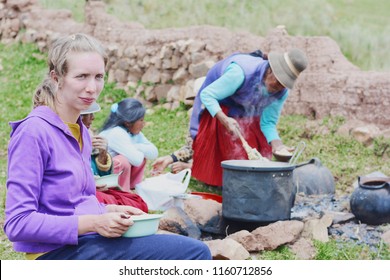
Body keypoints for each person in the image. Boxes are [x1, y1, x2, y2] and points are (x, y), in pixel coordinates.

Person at [4, 33, 211, 260]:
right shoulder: (33, 132)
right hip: (55, 253)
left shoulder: (79, 129)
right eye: (81, 76)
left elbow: (73, 202)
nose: (92, 88)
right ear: (56, 78)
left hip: (86, 241)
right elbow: (17, 223)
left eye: (98, 77)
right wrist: (95, 222)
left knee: (186, 249)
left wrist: (108, 211)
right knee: (194, 254)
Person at [189, 48, 308, 187]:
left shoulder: (281, 93)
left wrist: (278, 145)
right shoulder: (240, 73)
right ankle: (200, 169)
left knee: (252, 151)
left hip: (245, 110)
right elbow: (207, 95)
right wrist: (224, 119)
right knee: (226, 145)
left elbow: (268, 122)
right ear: (270, 70)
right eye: (278, 82)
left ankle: (237, 178)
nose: (279, 88)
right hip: (220, 104)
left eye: (284, 85)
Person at [81, 103, 148, 212]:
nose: (93, 118)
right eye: (89, 114)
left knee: (137, 202)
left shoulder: (87, 134)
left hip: (98, 189)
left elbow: (99, 173)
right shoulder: (63, 138)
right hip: (82, 192)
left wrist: (102, 154)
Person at [99, 98, 158, 191]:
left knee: (139, 156)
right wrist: (137, 149)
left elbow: (154, 152)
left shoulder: (131, 132)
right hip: (102, 176)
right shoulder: (116, 133)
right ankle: (120, 192)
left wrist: (136, 147)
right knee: (123, 161)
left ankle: (130, 187)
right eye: (141, 120)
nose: (144, 123)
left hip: (116, 175)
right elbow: (137, 160)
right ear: (128, 122)